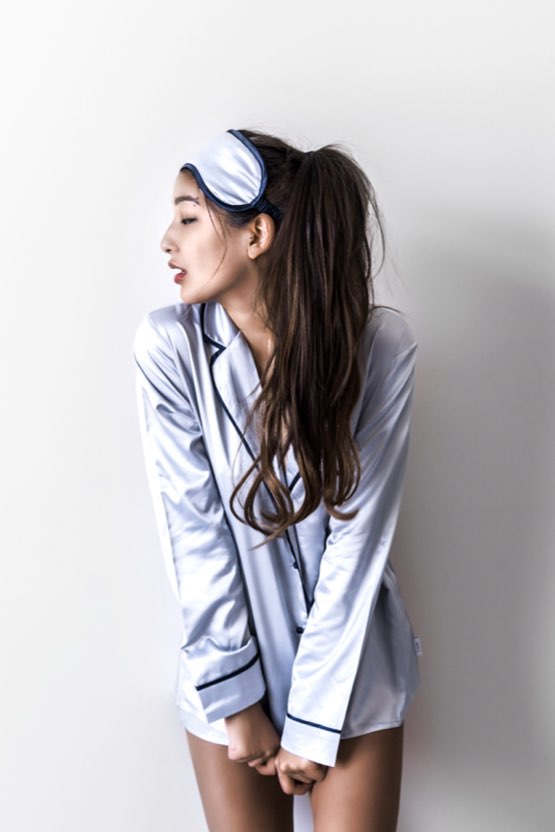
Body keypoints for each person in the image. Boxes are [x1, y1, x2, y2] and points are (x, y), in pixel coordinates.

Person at [133, 127, 421, 832]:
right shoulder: (170, 347)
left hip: (351, 679)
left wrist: (314, 722)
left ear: (256, 234)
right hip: (228, 677)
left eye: (188, 217)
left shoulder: (379, 348)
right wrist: (238, 704)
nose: (166, 241)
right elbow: (193, 537)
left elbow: (358, 546)